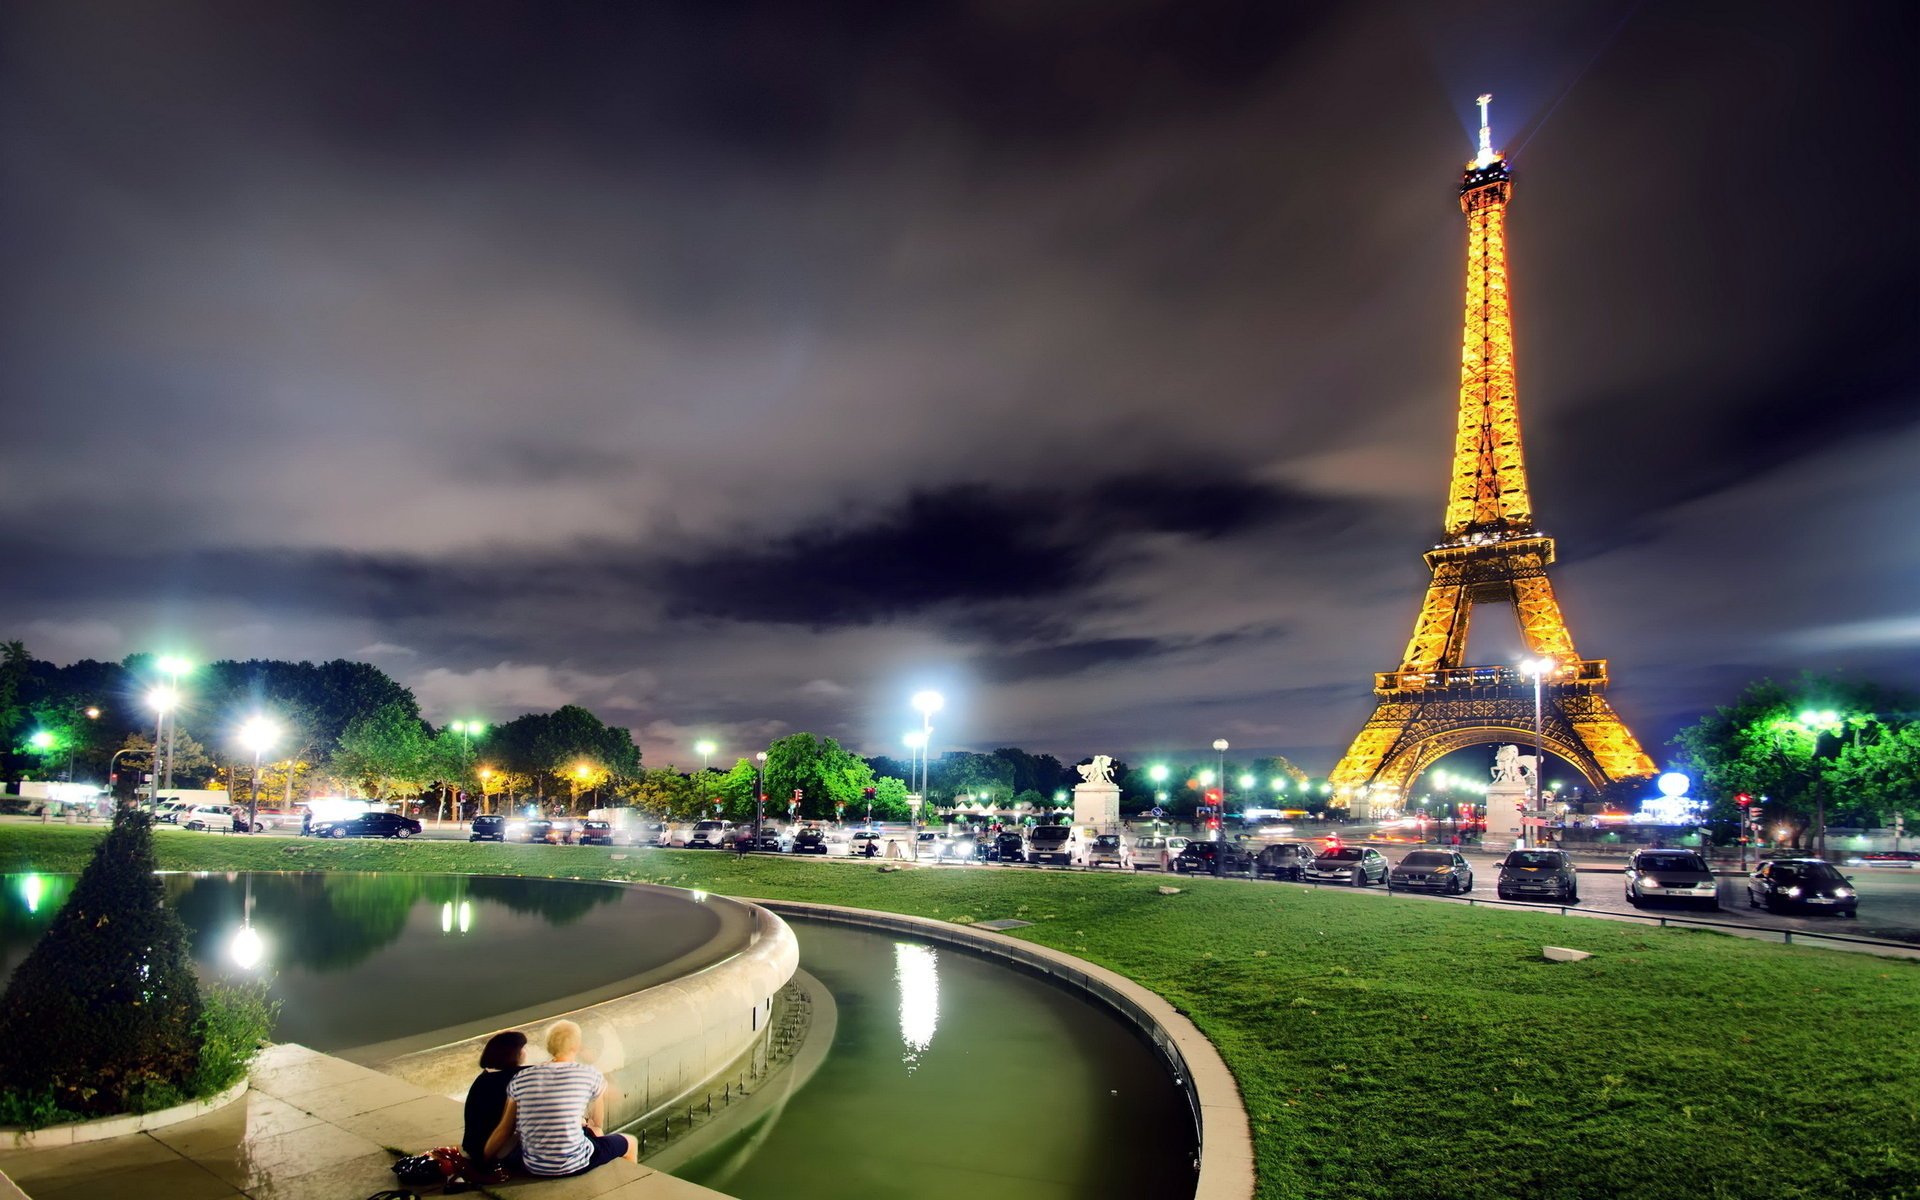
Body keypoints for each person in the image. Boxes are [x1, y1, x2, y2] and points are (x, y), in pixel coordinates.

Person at [484, 1020, 635, 1177]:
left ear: (549, 1047)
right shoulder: (590, 1075)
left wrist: (482, 1162)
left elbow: (504, 1130)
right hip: (574, 1164)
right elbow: (597, 1122)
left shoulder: (521, 1077)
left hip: (532, 1165)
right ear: (576, 1047)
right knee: (627, 1142)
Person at [463, 1031, 527, 1172]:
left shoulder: (485, 1077)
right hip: (492, 1150)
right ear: (513, 1053)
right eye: (522, 1048)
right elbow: (504, 1130)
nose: (525, 1052)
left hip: (474, 1147)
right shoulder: (514, 1079)